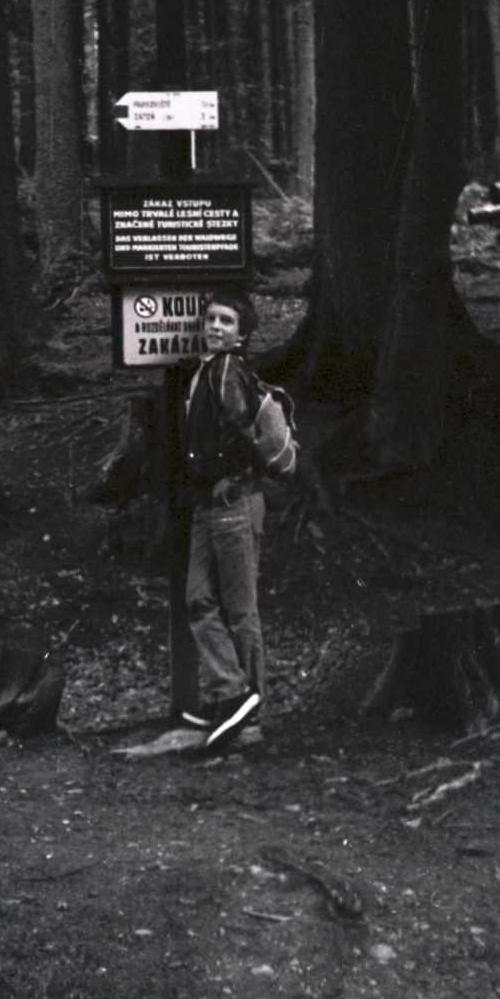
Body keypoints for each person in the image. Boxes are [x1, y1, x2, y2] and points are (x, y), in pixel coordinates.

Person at [179, 285, 297, 752]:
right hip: (210, 506)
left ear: (242, 334)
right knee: (199, 600)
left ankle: (248, 708)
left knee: (239, 608)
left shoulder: (228, 370)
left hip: (232, 502)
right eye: (211, 318)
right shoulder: (210, 369)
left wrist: (226, 475)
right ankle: (232, 691)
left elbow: (240, 431)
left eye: (226, 321)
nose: (215, 326)